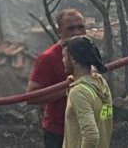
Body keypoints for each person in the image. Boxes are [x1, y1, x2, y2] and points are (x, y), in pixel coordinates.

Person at [28, 8, 88, 148]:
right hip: (59, 132)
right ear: (58, 32)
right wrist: (69, 88)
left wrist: (105, 117)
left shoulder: (89, 52)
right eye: (70, 29)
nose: (77, 32)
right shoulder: (48, 58)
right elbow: (31, 96)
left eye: (81, 27)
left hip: (87, 126)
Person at [62, 35, 113, 148]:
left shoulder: (79, 92)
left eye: (64, 57)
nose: (63, 61)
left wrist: (75, 89)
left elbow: (91, 136)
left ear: (74, 59)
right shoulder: (100, 84)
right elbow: (100, 114)